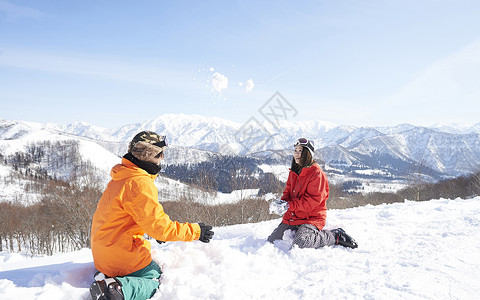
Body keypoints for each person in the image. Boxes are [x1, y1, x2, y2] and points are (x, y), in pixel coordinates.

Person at [89, 131, 214, 300]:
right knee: (156, 277)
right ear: (151, 155)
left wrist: (152, 229)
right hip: (120, 257)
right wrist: (196, 231)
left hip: (103, 254)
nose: (162, 158)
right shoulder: (139, 183)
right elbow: (160, 228)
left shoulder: (122, 177)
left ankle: (111, 278)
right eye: (160, 154)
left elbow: (125, 218)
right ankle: (117, 289)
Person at [267, 137, 357, 249]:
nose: (297, 154)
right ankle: (299, 229)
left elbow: (312, 201)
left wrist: (290, 205)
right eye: (295, 151)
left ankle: (335, 235)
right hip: (294, 216)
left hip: (312, 218)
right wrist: (282, 203)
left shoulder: (317, 174)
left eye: (300, 151)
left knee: (301, 242)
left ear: (308, 154)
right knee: (272, 240)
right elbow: (288, 193)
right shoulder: (294, 172)